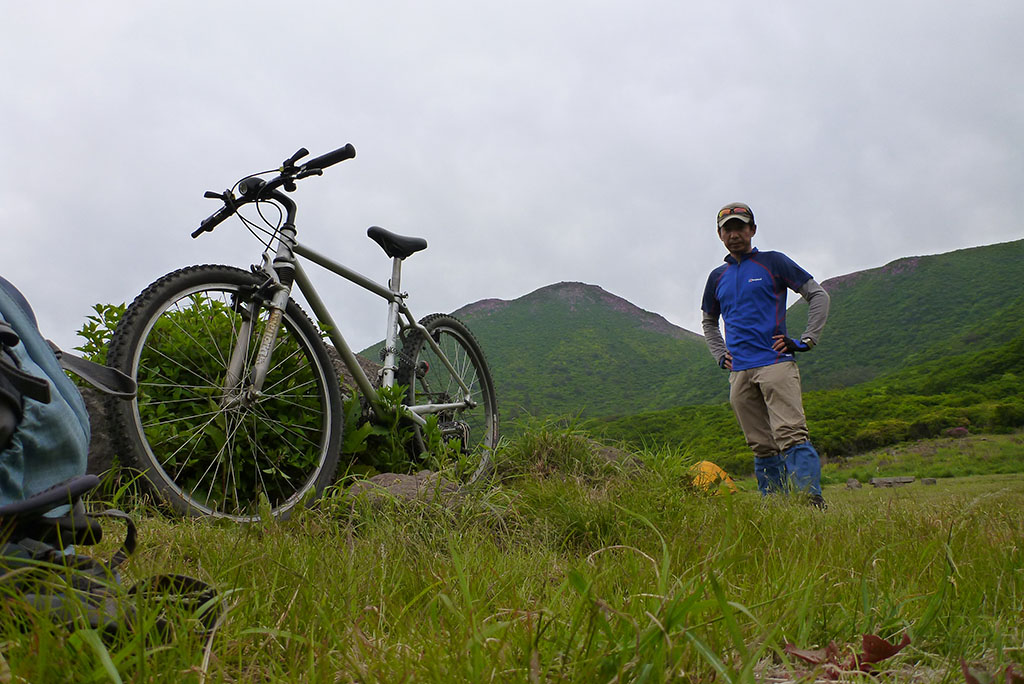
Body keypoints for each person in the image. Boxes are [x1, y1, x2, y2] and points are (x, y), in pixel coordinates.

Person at [700, 202, 831, 507]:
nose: (734, 234)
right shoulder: (716, 277)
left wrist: (807, 339)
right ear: (719, 234)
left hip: (775, 364)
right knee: (760, 444)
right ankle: (775, 506)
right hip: (740, 372)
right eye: (727, 229)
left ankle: (811, 503)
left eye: (740, 227)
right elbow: (709, 321)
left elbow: (818, 295)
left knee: (792, 435)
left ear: (752, 230)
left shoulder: (774, 262)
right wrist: (720, 354)